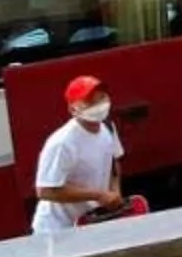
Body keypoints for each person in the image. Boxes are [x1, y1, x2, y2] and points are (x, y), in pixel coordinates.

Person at [32, 75, 124, 235]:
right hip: (56, 230)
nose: (98, 105)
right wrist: (98, 195)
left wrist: (115, 192)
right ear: (73, 109)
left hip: (89, 223)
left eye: (101, 98)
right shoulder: (62, 143)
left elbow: (113, 163)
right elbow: (45, 190)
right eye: (90, 101)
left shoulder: (108, 127)